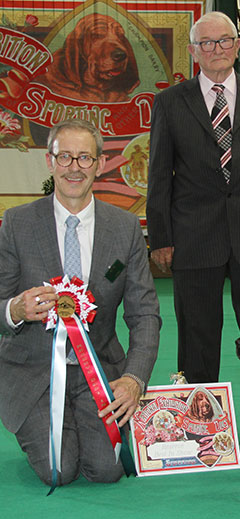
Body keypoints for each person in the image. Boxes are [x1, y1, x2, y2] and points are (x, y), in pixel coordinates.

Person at [147, 11, 240, 442]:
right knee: (196, 331)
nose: (215, 49)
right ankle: (199, 417)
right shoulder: (170, 102)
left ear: (238, 44)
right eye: (205, 43)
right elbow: (159, 175)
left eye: (223, 40)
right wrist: (160, 237)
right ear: (193, 51)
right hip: (193, 238)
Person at [0, 119, 161, 487]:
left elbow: (145, 314)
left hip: (99, 371)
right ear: (50, 161)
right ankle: (41, 428)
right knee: (60, 469)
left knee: (108, 470)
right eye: (65, 157)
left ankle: (80, 423)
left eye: (85, 158)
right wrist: (15, 310)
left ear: (100, 164)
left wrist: (134, 379)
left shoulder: (125, 229)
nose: (75, 167)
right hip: (33, 372)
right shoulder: (17, 223)